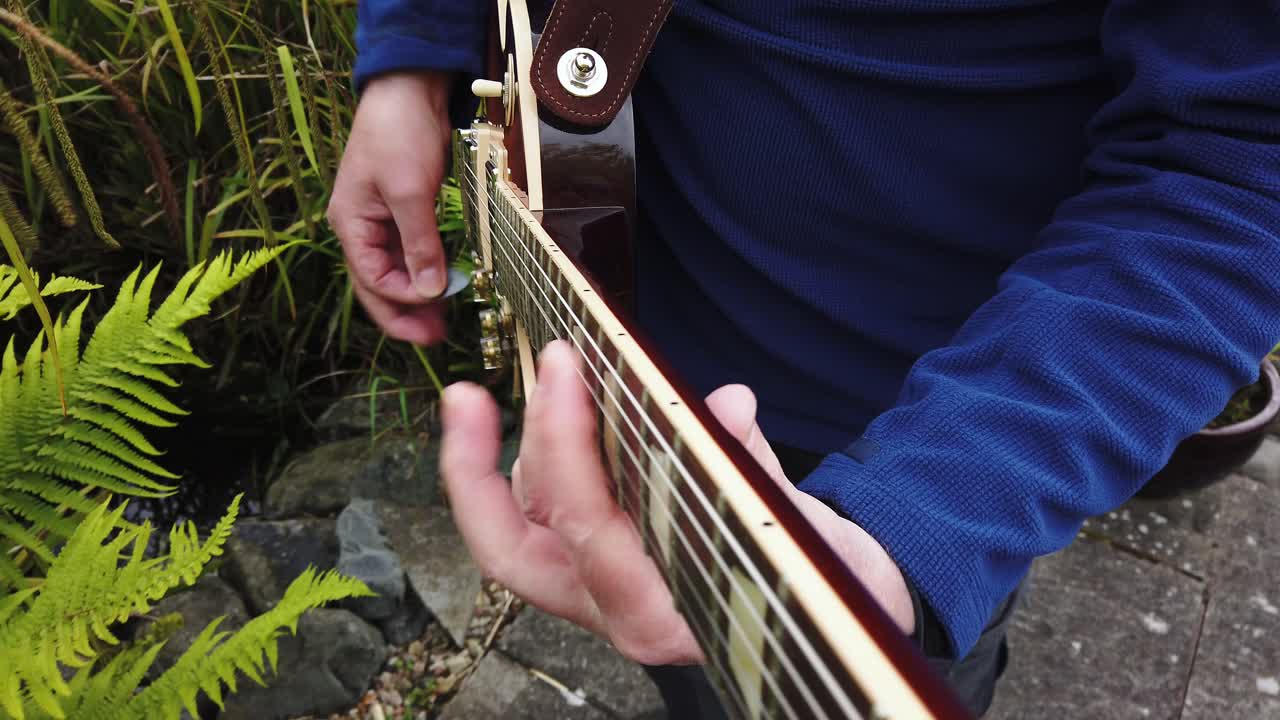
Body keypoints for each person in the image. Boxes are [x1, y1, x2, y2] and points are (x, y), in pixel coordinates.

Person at [327, 2, 1280, 717]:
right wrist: (412, 59)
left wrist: (922, 520)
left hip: (875, 459)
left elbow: (1237, 170)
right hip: (632, 379)